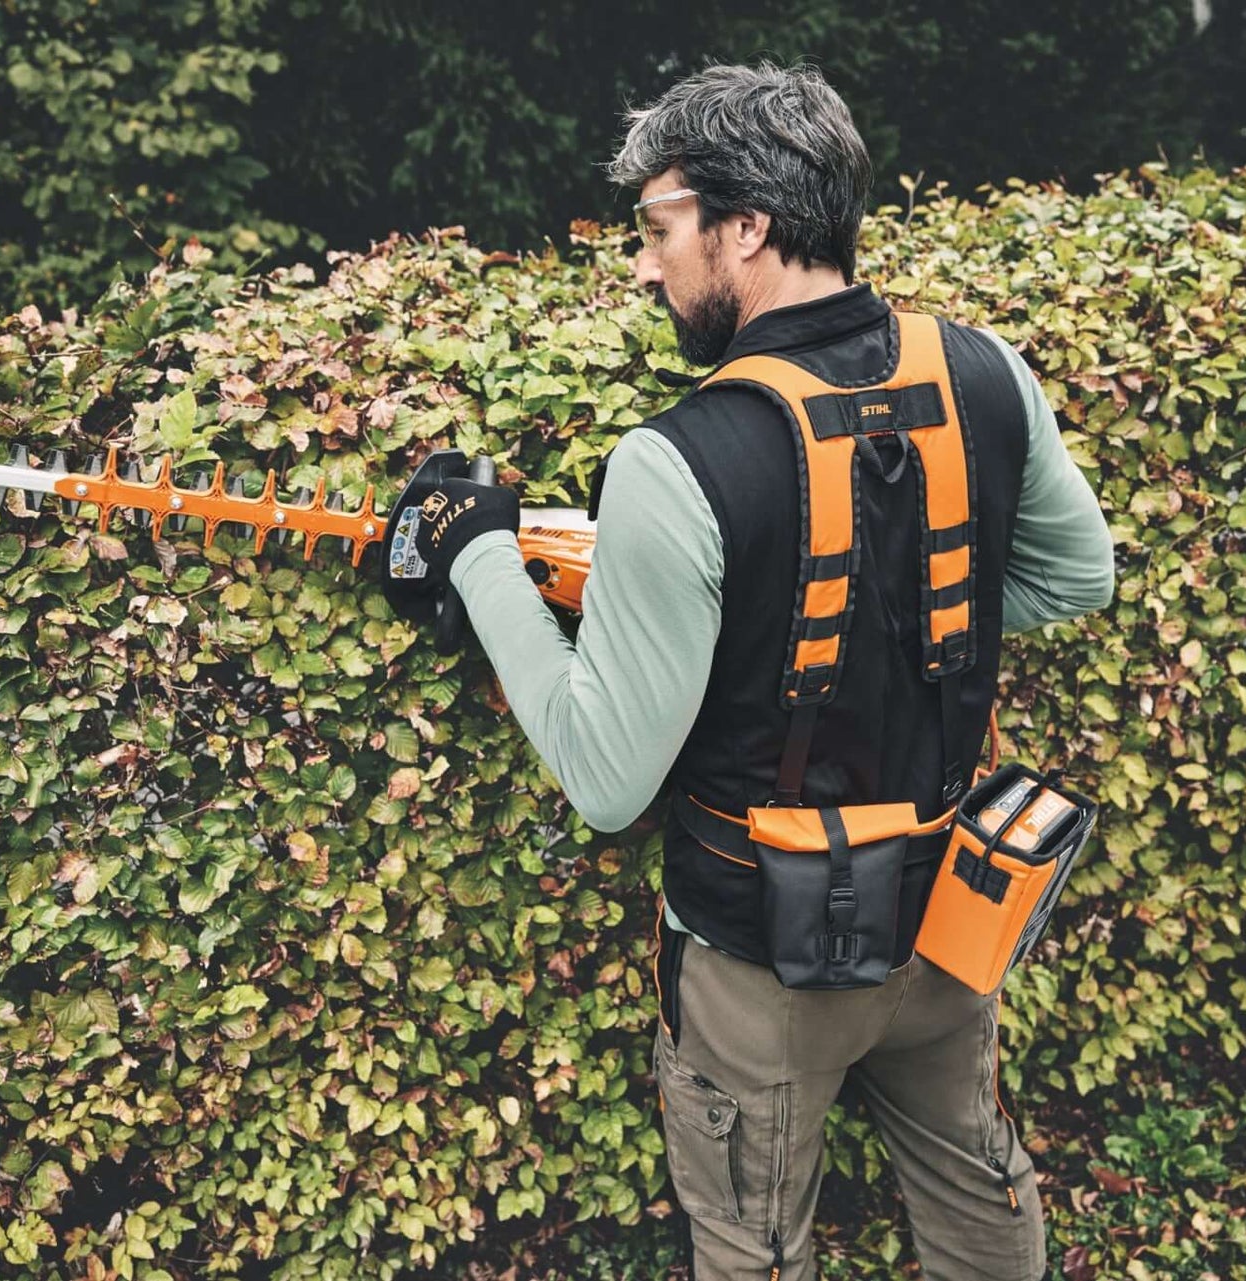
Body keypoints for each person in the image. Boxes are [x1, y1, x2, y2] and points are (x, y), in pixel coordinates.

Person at [405, 61, 1114, 1280]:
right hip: (946, 920)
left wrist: (474, 557)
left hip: (762, 963)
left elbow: (607, 776)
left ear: (747, 227)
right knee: (974, 1188)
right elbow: (1075, 579)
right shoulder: (986, 372)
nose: (643, 266)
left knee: (752, 1242)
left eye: (658, 229)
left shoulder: (678, 462)